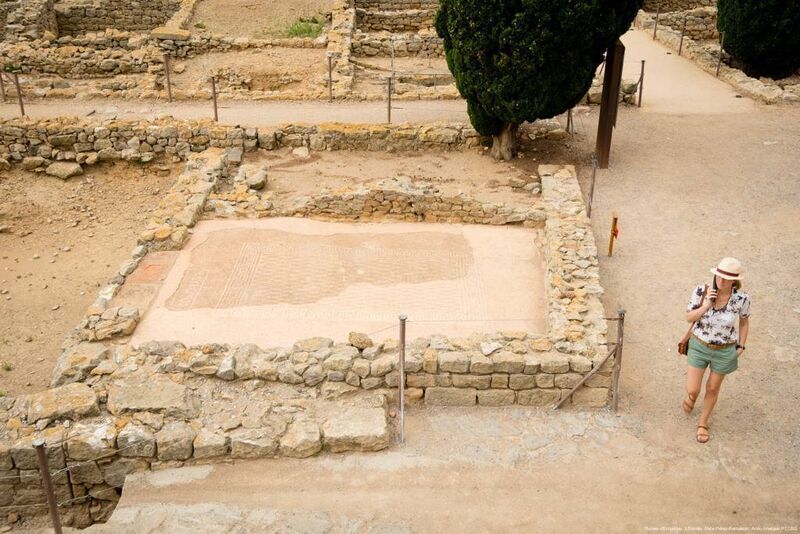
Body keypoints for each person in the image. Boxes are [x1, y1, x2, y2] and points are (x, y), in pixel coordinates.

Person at [682, 257, 750, 443]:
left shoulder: (741, 299)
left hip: (724, 350)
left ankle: (703, 423)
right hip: (699, 345)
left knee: (712, 388)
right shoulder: (701, 291)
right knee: (693, 389)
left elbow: (744, 322)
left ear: (735, 281)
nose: (721, 281)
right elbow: (689, 318)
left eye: (727, 279)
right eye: (719, 276)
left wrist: (742, 345)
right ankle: (692, 398)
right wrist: (706, 305)